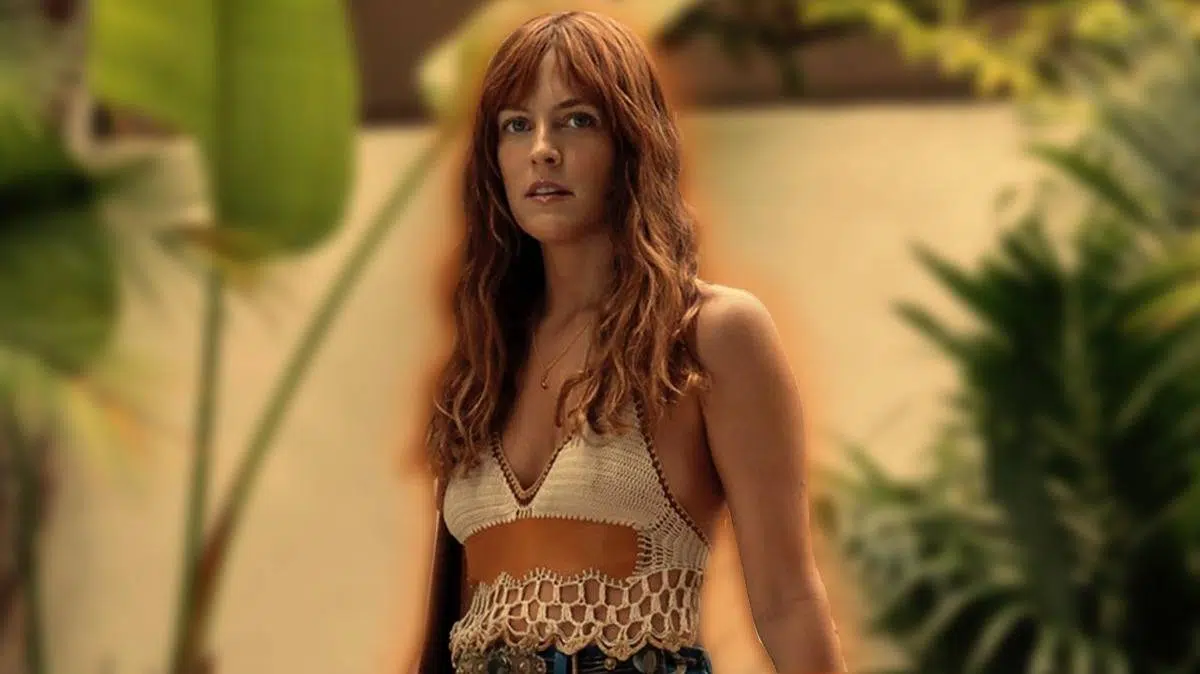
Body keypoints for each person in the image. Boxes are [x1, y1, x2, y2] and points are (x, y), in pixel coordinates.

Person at [416, 8, 844, 674]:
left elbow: (787, 599)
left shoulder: (709, 333)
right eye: (517, 125)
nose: (543, 150)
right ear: (493, 160)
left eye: (577, 120)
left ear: (631, 142)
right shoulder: (485, 360)